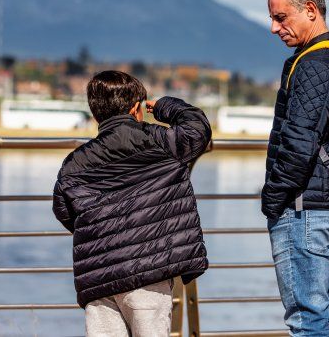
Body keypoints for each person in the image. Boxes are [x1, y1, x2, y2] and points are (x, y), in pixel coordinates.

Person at [53, 70, 211, 337]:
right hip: (149, 273)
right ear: (137, 109)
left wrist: (104, 237)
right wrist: (164, 107)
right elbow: (197, 128)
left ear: (95, 115)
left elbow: (64, 211)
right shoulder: (159, 141)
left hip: (99, 277)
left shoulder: (73, 164)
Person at [261, 0, 329, 336]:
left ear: (311, 10)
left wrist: (273, 200)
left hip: (304, 210)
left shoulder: (314, 64)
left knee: (307, 321)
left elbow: (299, 143)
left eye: (281, 17)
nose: (274, 27)